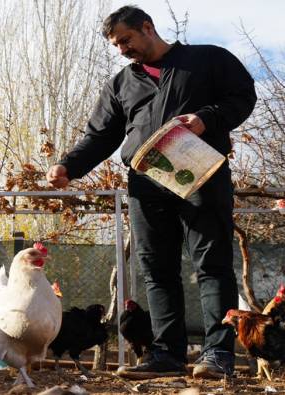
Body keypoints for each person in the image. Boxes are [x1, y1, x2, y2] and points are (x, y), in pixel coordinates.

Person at [46, 6, 256, 380]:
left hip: (201, 175)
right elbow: (101, 135)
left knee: (212, 265)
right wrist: (68, 166)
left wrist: (207, 117)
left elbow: (242, 96)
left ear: (147, 27)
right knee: (157, 269)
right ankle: (166, 355)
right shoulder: (121, 84)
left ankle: (218, 354)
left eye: (126, 40)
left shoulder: (207, 59)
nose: (122, 50)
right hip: (146, 183)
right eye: (116, 45)